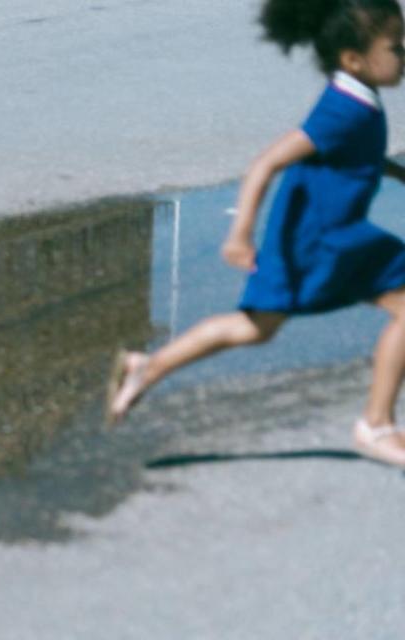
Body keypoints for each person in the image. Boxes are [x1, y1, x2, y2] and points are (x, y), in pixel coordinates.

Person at [106, 0, 405, 466]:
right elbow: (266, 162)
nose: (404, 56)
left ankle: (149, 367)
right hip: (323, 241)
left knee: (254, 328)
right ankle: (376, 426)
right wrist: (239, 235)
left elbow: (355, 158)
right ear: (353, 58)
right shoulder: (343, 109)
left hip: (320, 237)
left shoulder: (359, 99)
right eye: (397, 47)